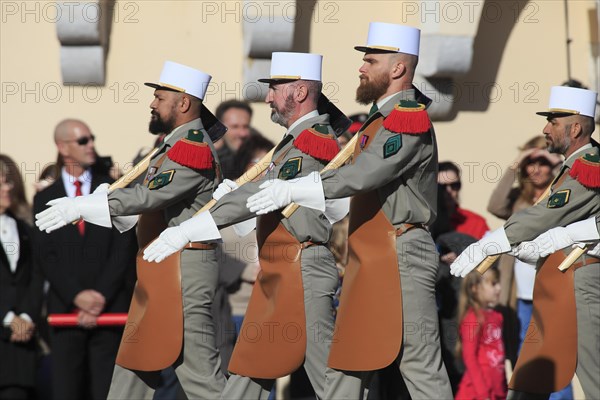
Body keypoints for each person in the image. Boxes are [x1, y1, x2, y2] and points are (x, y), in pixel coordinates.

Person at [246, 22, 453, 399]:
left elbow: (369, 172)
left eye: (370, 61)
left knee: (419, 365)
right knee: (346, 364)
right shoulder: (380, 120)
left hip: (401, 252)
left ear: (397, 69)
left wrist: (300, 187)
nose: (360, 68)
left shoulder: (407, 117)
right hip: (371, 255)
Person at [143, 52, 348, 399]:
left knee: (332, 383)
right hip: (281, 268)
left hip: (303, 271)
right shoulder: (291, 142)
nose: (268, 96)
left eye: (275, 88)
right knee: (247, 372)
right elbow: (267, 203)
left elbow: (261, 195)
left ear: (299, 93)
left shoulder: (313, 139)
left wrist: (191, 228)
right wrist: (235, 197)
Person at [35, 61, 227, 399]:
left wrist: (83, 207)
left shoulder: (191, 147)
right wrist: (98, 201)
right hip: (160, 270)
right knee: (131, 368)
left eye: (159, 96)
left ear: (183, 104)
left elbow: (150, 196)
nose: (152, 103)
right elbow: (144, 205)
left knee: (201, 380)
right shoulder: (170, 147)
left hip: (185, 273)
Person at [450, 85, 600, 400]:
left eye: (553, 122)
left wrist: (492, 242)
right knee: (531, 372)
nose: (545, 129)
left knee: (592, 371)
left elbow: (547, 213)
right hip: (560, 279)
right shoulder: (576, 166)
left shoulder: (587, 167)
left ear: (575, 128)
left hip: (580, 280)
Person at [32, 120, 136, 400]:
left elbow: (123, 247)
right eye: (83, 141)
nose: (91, 145)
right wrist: (77, 296)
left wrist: (100, 295)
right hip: (65, 310)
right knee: (67, 389)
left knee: (107, 391)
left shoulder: (112, 191)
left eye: (91, 139)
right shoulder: (45, 198)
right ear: (62, 147)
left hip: (110, 308)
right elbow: (46, 254)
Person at [487, 137, 574, 399]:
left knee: (555, 356)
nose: (536, 169)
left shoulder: (564, 194)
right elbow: (494, 205)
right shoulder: (518, 200)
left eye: (542, 162)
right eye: (531, 163)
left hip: (553, 292)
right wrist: (516, 162)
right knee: (525, 357)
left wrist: (558, 164)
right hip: (522, 295)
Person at [0, 155, 43, 400]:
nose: (9, 187)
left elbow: (36, 277)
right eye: (1, 183)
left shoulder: (25, 230)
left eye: (8, 182)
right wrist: (7, 318)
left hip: (20, 350)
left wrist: (25, 317)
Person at [455, 268, 507, 400]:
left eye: (498, 283)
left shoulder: (497, 316)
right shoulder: (472, 318)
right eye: (493, 284)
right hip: (476, 393)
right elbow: (469, 357)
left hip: (496, 391)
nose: (499, 288)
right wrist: (483, 393)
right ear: (475, 288)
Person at [439, 161, 490, 244]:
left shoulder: (476, 223)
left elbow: (492, 255)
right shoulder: (423, 222)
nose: (449, 190)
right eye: (442, 186)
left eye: (454, 185)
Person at [214, 100, 253, 179]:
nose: (242, 133)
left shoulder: (259, 154)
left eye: (246, 126)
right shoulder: (207, 156)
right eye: (235, 127)